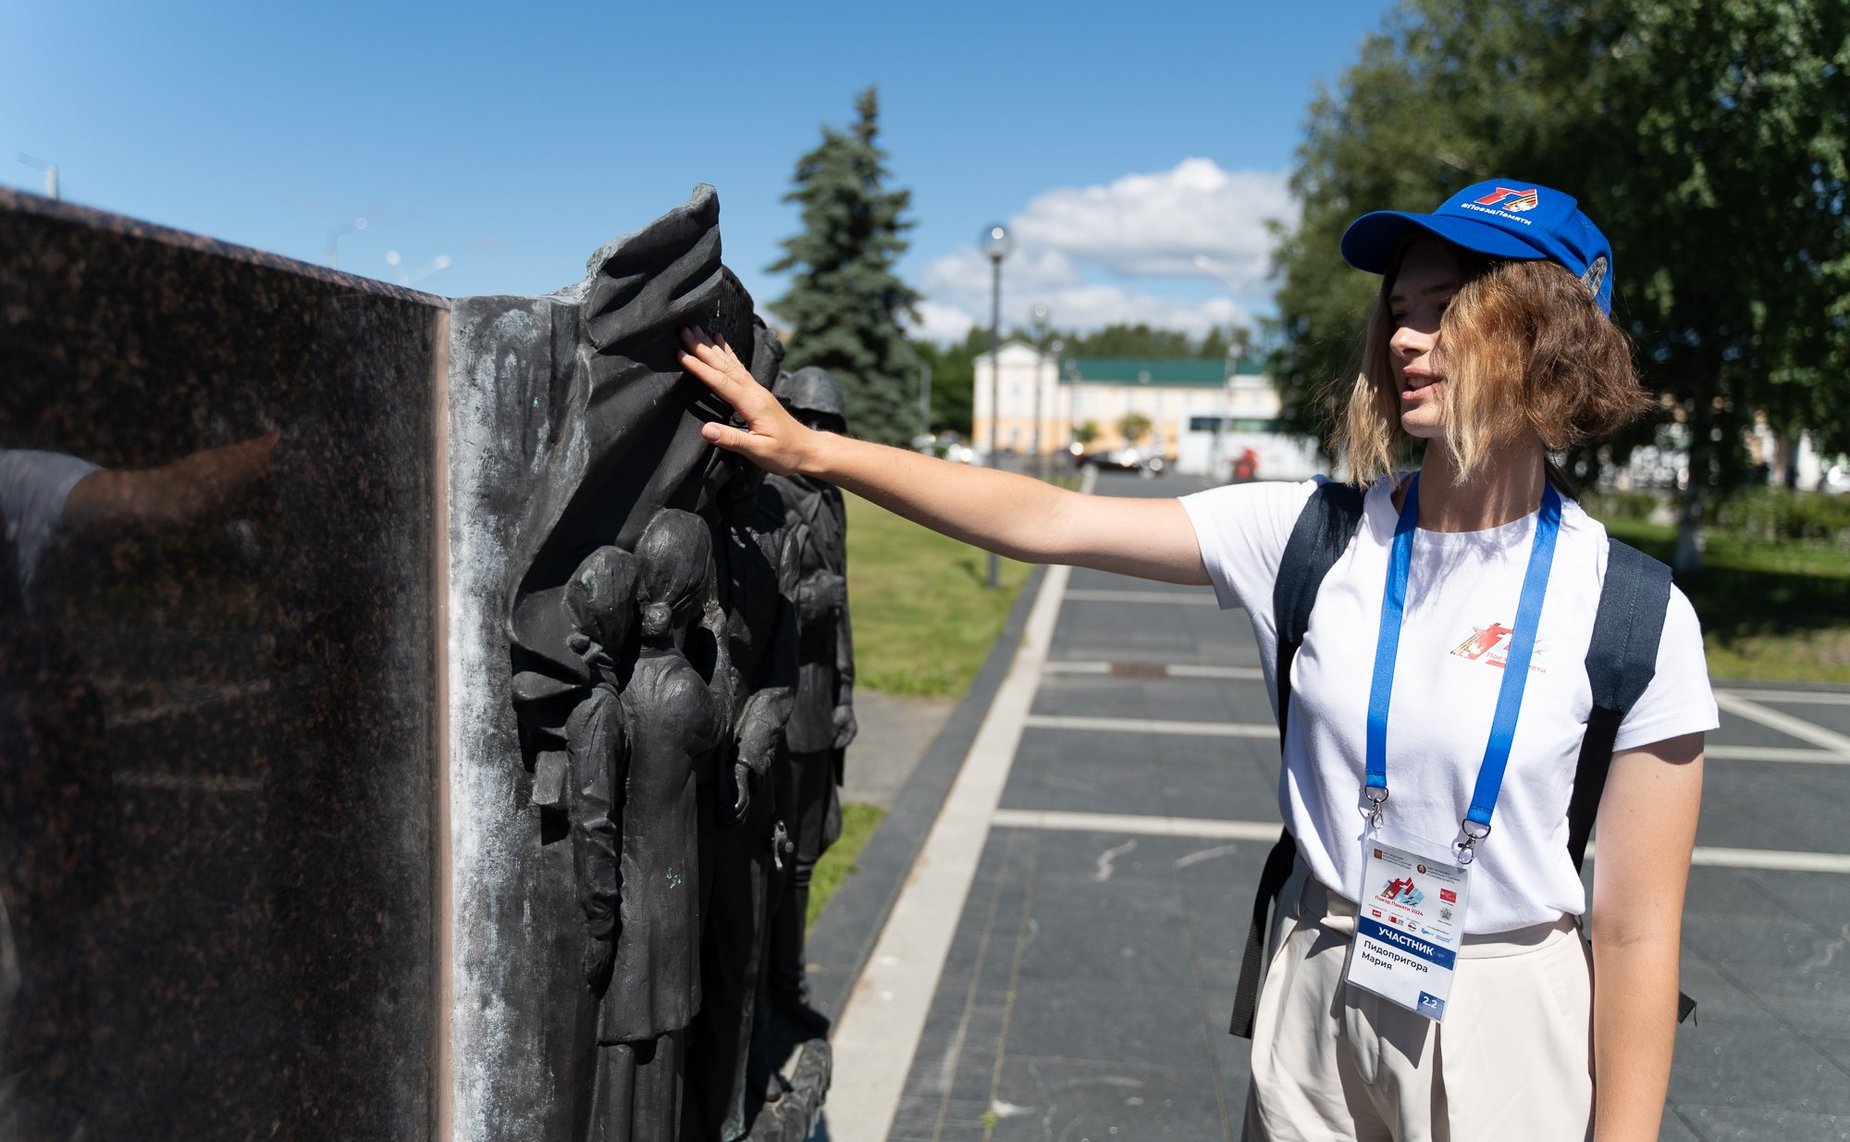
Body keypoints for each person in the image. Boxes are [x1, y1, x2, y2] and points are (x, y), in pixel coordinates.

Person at [675, 179, 1714, 1142]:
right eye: (1399, 307)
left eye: (1445, 309)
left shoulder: (1630, 612)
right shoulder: (1312, 535)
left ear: (1546, 333)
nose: (1405, 334)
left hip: (1504, 1007)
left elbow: (1633, 935)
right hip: (1319, 973)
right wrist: (816, 452)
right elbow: (1050, 519)